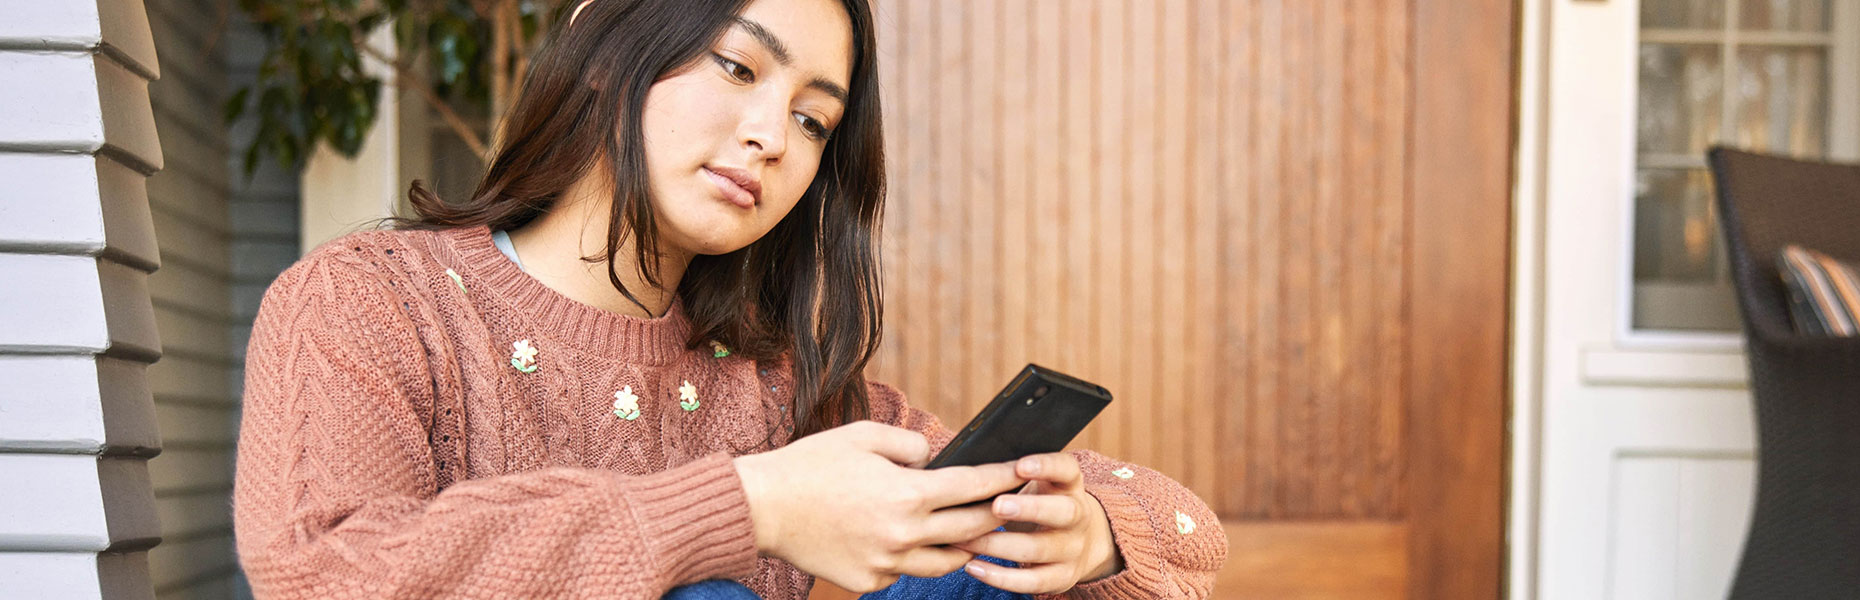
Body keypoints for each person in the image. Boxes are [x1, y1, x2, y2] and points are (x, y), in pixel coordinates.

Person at [231, 0, 1226, 597]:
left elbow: (1189, 533)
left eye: (811, 119)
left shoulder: (774, 387)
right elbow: (326, 575)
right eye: (737, 65)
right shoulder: (369, 301)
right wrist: (750, 504)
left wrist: (1087, 532)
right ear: (600, 41)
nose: (772, 136)